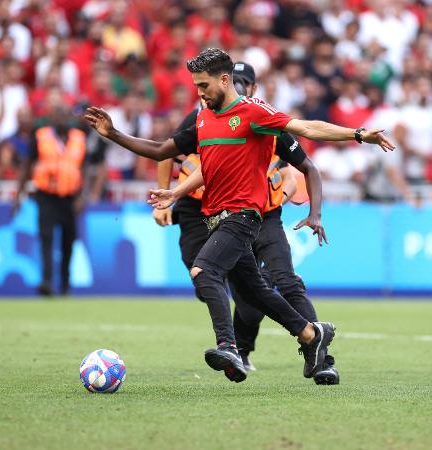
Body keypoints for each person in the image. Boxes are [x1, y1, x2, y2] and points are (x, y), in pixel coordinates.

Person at [84, 48, 394, 383]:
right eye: (195, 86)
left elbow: (306, 128)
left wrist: (358, 135)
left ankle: (228, 345)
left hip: (245, 215)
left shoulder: (254, 112)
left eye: (203, 85)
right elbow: (162, 151)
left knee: (204, 271)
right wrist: (116, 136)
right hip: (214, 216)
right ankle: (310, 334)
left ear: (224, 79)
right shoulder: (202, 118)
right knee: (255, 291)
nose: (199, 93)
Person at [153, 63, 339, 384]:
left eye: (244, 83)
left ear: (251, 88)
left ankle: (308, 357)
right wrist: (171, 194)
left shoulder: (261, 118)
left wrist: (305, 203)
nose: (237, 87)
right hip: (204, 210)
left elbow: (301, 167)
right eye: (233, 80)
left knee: (277, 282)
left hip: (261, 214)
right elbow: (168, 152)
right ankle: (297, 337)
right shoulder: (202, 115)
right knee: (241, 289)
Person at [14, 105, 87, 297]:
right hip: (46, 195)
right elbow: (26, 165)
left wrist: (82, 196)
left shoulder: (79, 138)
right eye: (58, 114)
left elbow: (84, 168)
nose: (62, 118)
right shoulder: (41, 136)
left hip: (70, 197)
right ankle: (46, 281)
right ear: (52, 117)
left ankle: (65, 283)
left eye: (65, 114)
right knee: (46, 237)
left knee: (68, 241)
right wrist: (18, 195)